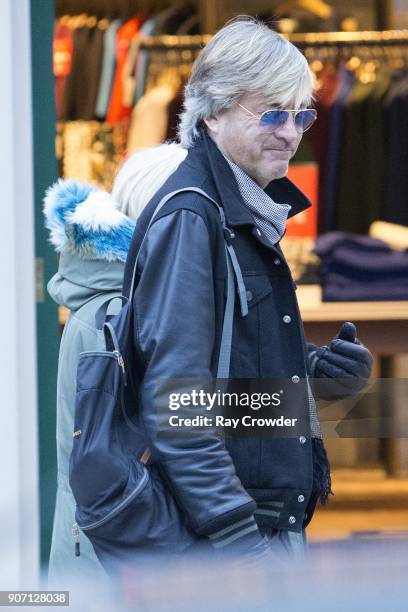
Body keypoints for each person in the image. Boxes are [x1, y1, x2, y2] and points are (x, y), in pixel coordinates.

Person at [122, 16, 373, 563]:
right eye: (271, 113)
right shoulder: (195, 217)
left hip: (248, 523)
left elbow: (226, 372)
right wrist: (238, 539)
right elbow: (179, 405)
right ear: (212, 110)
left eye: (302, 113)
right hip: (222, 540)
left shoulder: (239, 211)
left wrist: (311, 373)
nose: (291, 132)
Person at [44, 143, 188, 587]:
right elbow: (177, 419)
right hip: (113, 560)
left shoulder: (122, 304)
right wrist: (287, 400)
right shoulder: (116, 316)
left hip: (108, 546)